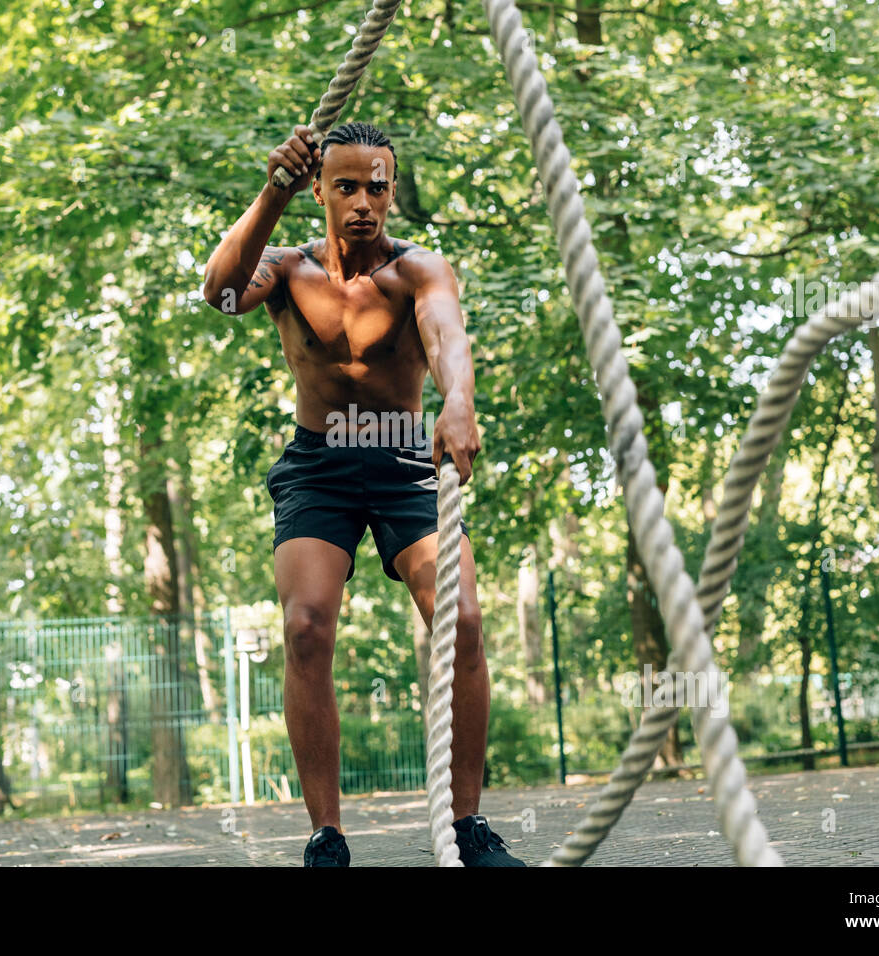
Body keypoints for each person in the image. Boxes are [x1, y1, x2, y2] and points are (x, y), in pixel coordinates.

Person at [203, 121, 524, 867]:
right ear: (319, 189)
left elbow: (446, 336)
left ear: (391, 191)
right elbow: (219, 293)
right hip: (319, 468)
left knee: (465, 621)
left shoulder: (418, 271)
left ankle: (468, 827)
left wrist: (459, 401)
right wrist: (271, 189)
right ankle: (327, 837)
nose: (362, 203)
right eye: (345, 186)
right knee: (306, 628)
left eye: (376, 186)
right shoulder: (284, 269)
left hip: (405, 463)